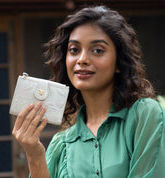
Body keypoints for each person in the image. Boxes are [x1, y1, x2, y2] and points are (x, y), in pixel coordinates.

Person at [12, 5, 165, 178]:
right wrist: (34, 154)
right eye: (74, 50)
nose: (82, 59)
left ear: (119, 62)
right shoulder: (61, 145)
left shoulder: (144, 116)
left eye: (98, 50)